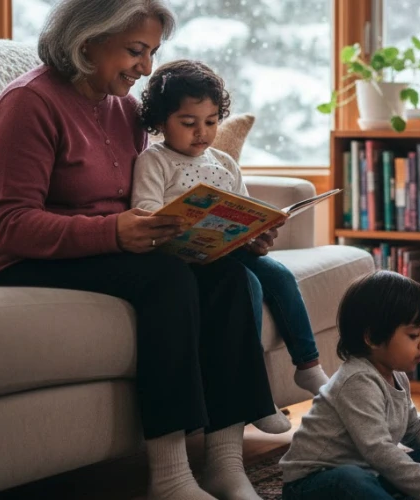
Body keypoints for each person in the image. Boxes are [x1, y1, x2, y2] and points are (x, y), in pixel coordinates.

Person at [0, 1, 279, 499]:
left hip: (118, 246)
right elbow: (10, 225)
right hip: (23, 259)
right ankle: (170, 475)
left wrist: (235, 233)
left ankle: (226, 465)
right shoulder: (27, 104)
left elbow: (150, 194)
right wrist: (113, 233)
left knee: (228, 273)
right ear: (86, 42)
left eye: (152, 53)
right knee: (166, 280)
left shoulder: (125, 110)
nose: (145, 68)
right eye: (135, 51)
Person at [130, 60, 331, 429]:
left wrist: (257, 236)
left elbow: (244, 208)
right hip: (186, 258)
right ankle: (252, 391)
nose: (201, 133)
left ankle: (308, 365)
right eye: (188, 123)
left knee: (278, 275)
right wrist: (173, 223)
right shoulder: (154, 161)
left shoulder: (222, 161)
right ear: (160, 121)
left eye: (210, 122)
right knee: (247, 286)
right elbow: (145, 211)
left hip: (230, 249)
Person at [280, 271, 420, 500]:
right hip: (311, 483)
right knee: (350, 478)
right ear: (372, 338)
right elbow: (378, 450)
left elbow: (414, 429)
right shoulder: (356, 380)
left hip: (367, 474)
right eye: (413, 335)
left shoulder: (397, 377)